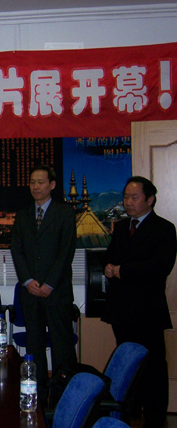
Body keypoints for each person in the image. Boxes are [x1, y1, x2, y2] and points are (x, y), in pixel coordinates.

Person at [103, 176, 176, 428]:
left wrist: (122, 271)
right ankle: (129, 409)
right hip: (121, 309)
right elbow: (110, 257)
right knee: (127, 364)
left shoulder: (164, 228)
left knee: (153, 366)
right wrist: (109, 268)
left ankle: (155, 417)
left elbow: (160, 267)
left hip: (148, 310)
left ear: (150, 199)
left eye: (134, 197)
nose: (128, 202)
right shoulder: (122, 227)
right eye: (126, 197)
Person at [10, 164, 77, 399]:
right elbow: (16, 250)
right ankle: (36, 396)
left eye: (40, 182)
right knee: (34, 345)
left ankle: (64, 397)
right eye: (32, 182)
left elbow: (66, 252)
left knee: (62, 346)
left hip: (57, 292)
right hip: (30, 292)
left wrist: (49, 284)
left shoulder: (65, 213)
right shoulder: (23, 215)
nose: (36, 187)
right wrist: (28, 281)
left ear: (52, 185)